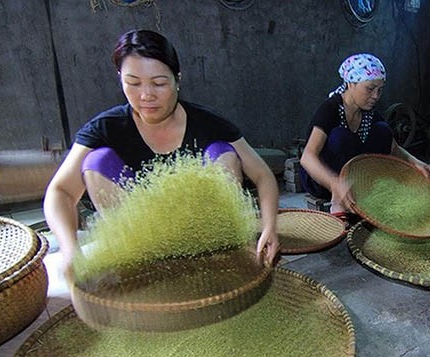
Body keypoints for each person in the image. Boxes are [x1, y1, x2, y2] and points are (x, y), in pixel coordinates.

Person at [43, 29, 279, 275]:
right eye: (133, 83)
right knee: (96, 160)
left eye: (159, 83)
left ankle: (217, 253)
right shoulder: (105, 127)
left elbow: (263, 174)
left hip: (206, 237)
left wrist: (269, 226)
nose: (146, 95)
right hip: (143, 245)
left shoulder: (209, 123)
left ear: (178, 79)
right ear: (120, 79)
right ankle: (145, 267)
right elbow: (60, 191)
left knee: (223, 151)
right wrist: (71, 251)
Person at [299, 53, 430, 216]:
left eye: (379, 90)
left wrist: (417, 163)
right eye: (370, 88)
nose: (375, 96)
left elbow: (393, 147)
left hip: (351, 181)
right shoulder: (330, 109)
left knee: (383, 130)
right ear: (351, 83)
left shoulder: (368, 112)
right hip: (323, 181)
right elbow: (307, 157)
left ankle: (364, 187)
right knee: (340, 136)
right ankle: (337, 203)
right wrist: (335, 183)